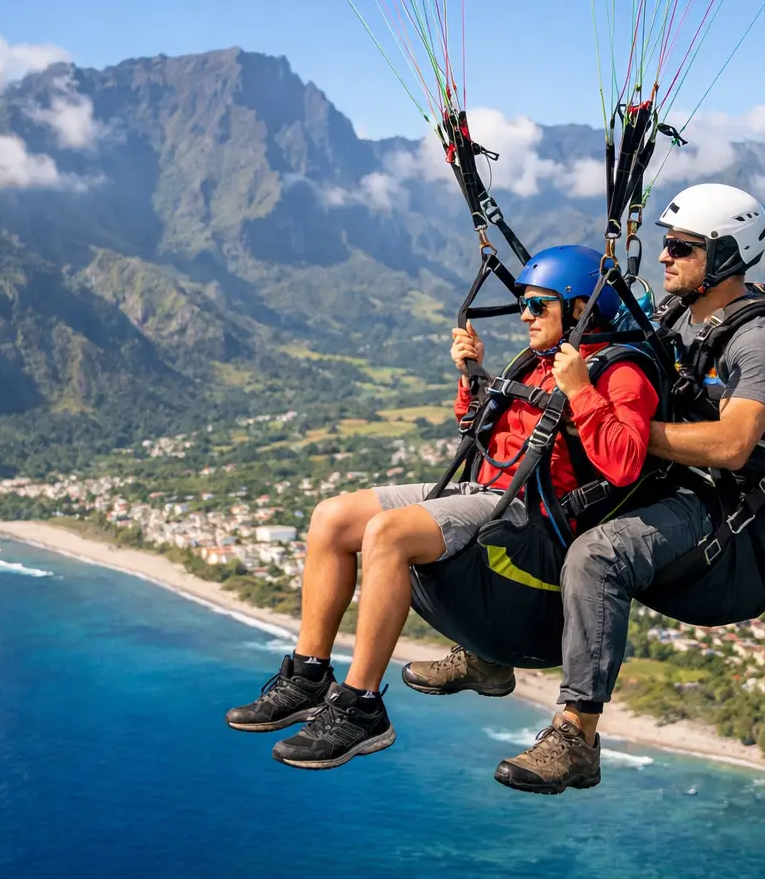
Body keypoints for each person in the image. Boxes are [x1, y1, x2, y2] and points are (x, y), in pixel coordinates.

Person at [404, 183, 765, 795]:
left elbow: (732, 446)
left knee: (599, 553)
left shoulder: (761, 340)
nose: (665, 256)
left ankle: (577, 738)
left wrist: (613, 423)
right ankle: (491, 644)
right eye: (665, 243)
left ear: (725, 255)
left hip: (715, 499)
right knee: (526, 502)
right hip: (659, 476)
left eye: (682, 247)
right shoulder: (677, 316)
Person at [224, 245, 659, 770]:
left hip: (528, 518)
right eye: (523, 303)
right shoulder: (542, 362)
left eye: (538, 305)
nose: (524, 316)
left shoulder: (618, 374)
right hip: (485, 491)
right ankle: (309, 675)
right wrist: (472, 377)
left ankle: (362, 708)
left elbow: (625, 464)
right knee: (331, 518)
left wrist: (582, 392)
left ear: (581, 308)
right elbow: (485, 433)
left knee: (387, 534)